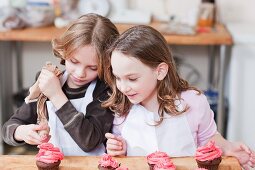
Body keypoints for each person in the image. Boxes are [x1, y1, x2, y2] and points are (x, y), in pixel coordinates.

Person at [102, 25, 255, 169]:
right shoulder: (122, 106)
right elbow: (122, 154)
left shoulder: (193, 102)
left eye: (132, 79)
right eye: (118, 78)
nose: (123, 87)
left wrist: (228, 147)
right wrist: (118, 149)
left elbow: (209, 140)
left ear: (160, 71)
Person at [2, 13, 119, 156]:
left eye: (93, 68)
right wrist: (21, 132)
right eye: (74, 61)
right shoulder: (48, 81)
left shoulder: (105, 90)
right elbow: (8, 129)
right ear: (64, 52)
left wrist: (57, 95)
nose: (80, 73)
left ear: (107, 64)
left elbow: (89, 141)